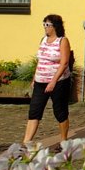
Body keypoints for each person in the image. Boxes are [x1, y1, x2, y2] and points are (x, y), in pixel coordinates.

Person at [24, 15, 72, 143]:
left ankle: (63, 141)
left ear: (55, 26)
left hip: (59, 82)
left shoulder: (62, 41)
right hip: (40, 81)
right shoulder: (43, 39)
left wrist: (53, 81)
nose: (45, 27)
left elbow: (64, 63)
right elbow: (40, 60)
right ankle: (26, 143)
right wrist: (34, 78)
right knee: (34, 111)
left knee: (60, 112)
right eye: (44, 24)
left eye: (47, 25)